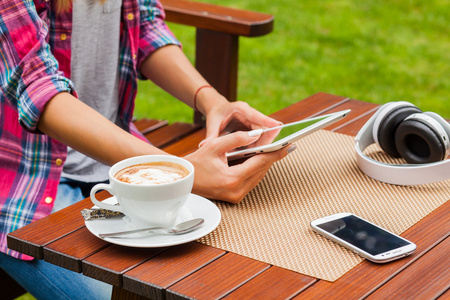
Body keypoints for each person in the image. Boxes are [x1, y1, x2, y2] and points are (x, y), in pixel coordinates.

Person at [0, 0, 295, 298]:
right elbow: (36, 85)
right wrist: (177, 172)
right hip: (21, 180)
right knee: (134, 291)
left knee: (219, 271)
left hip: (117, 159)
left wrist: (212, 101)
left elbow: (145, 26)